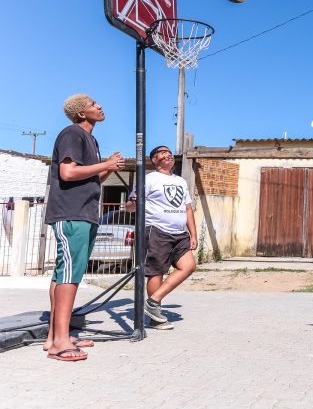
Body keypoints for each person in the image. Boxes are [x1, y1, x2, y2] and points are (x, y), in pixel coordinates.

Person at [43, 94, 125, 361]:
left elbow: (93, 178)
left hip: (84, 213)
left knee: (65, 272)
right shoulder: (72, 133)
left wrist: (109, 167)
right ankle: (59, 343)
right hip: (71, 213)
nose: (99, 105)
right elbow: (67, 173)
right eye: (92, 104)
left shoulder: (91, 139)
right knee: (69, 273)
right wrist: (106, 164)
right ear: (81, 113)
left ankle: (56, 335)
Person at [126, 145, 197, 330]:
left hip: (180, 233)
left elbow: (188, 209)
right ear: (155, 159)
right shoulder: (148, 179)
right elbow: (130, 206)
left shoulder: (180, 181)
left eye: (169, 153)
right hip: (156, 231)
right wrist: (133, 202)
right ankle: (155, 318)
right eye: (163, 152)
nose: (168, 154)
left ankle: (153, 302)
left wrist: (193, 234)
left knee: (189, 266)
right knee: (156, 272)